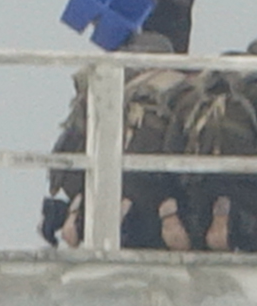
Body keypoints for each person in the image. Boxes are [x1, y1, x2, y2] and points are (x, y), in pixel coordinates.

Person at [41, 31, 188, 249]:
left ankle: (75, 213)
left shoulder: (99, 86)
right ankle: (168, 216)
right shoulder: (178, 88)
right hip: (148, 184)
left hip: (86, 180)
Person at [162, 40, 257, 251]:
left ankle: (179, 218)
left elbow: (171, 147)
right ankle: (228, 220)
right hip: (243, 182)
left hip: (198, 183)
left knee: (197, 236)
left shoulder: (192, 96)